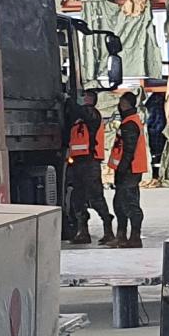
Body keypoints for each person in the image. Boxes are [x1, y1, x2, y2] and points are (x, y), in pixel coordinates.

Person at [67, 89, 114, 245]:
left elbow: (81, 112)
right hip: (78, 162)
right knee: (77, 198)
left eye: (86, 96)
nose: (84, 98)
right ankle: (83, 231)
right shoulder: (78, 118)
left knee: (96, 197)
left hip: (90, 163)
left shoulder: (92, 114)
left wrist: (69, 100)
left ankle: (108, 230)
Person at [107, 91, 147, 248]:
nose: (119, 105)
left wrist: (122, 169)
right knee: (120, 203)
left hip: (129, 170)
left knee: (129, 204)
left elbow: (129, 150)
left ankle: (134, 237)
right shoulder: (129, 121)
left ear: (127, 104)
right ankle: (122, 236)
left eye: (122, 103)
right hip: (128, 170)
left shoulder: (130, 124)